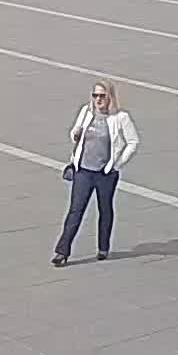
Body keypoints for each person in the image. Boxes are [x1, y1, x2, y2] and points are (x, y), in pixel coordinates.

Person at [51, 80, 139, 267]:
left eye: (102, 96)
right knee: (75, 210)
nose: (98, 99)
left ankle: (103, 247)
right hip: (83, 170)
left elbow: (133, 142)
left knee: (105, 209)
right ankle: (62, 251)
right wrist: (75, 133)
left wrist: (117, 163)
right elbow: (75, 132)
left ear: (110, 97)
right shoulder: (86, 112)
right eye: (95, 95)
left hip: (105, 173)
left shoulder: (120, 117)